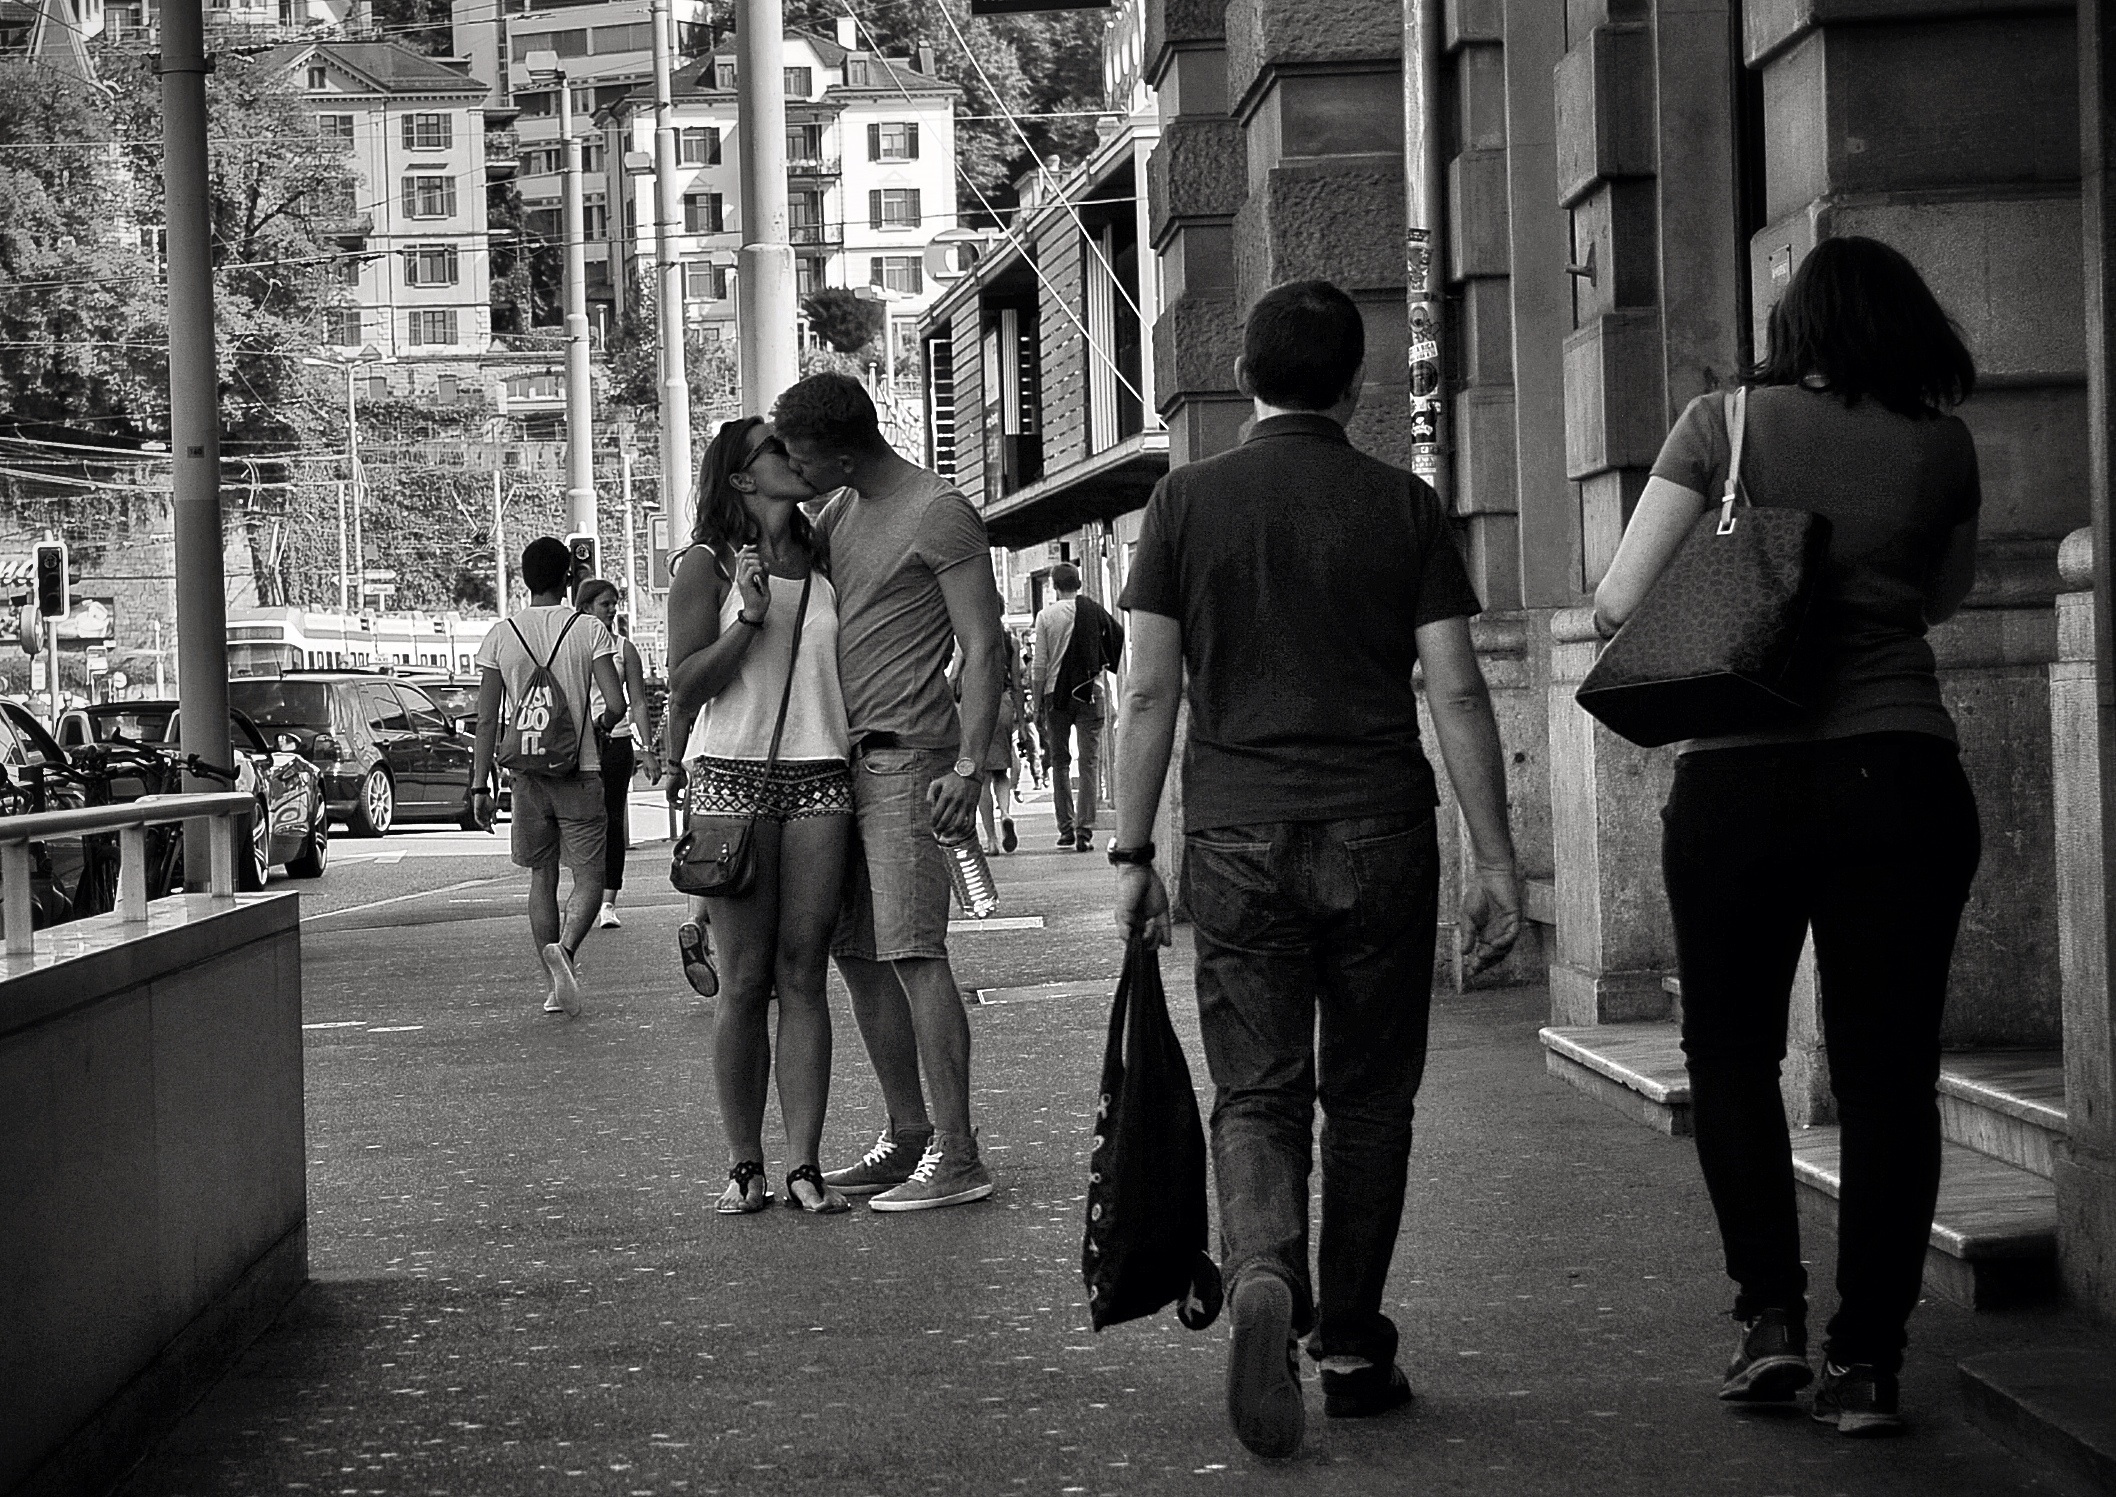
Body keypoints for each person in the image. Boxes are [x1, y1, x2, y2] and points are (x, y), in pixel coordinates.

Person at [1111, 280, 1522, 1459]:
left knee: (1256, 1092)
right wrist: (1494, 861)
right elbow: (1454, 685)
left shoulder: (1184, 503)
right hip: (1382, 830)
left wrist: (1134, 852)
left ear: (1244, 378)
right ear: (1356, 385)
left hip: (1234, 833)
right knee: (1372, 1097)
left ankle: (1259, 1279)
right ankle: (1349, 1343)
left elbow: (1148, 692)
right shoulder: (1401, 506)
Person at [1593, 235, 1983, 1437]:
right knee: (1887, 1081)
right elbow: (1942, 597)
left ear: (1796, 325)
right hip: (1899, 770)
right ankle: (1866, 1360)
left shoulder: (1722, 425)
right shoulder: (1940, 440)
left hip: (1739, 783)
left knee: (1729, 1056)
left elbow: (1618, 599)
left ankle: (1769, 1319)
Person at [772, 372, 1007, 1213]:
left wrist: (971, 767)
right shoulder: (840, 512)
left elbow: (985, 648)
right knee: (860, 954)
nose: (793, 471)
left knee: (916, 952)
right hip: (844, 766)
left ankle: (959, 1152)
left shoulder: (937, 509)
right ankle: (909, 1135)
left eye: (799, 456)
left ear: (841, 449)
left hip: (913, 764)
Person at [664, 416, 856, 1215]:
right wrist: (745, 617)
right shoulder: (703, 565)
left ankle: (805, 1163)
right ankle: (745, 1163)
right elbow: (683, 684)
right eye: (777, 450)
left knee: (804, 972)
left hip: (821, 772)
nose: (796, 457)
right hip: (730, 779)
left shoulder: (824, 556)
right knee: (743, 982)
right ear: (742, 478)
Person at [470, 536, 627, 1017]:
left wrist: (479, 784)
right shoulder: (589, 631)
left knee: (542, 875)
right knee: (588, 875)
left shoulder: (501, 634)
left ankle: (555, 986)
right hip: (580, 769)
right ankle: (568, 951)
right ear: (568, 578)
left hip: (527, 776)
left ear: (523, 578)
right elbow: (616, 704)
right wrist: (596, 727)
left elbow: (486, 719)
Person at [573, 580, 657, 929]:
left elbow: (636, 701)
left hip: (617, 742)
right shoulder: (574, 646)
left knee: (611, 820)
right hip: (582, 741)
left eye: (614, 603)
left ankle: (608, 901)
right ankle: (584, 892)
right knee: (583, 821)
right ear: (587, 608)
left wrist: (647, 749)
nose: (612, 609)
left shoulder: (625, 649)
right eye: (605, 604)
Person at [1034, 564, 1123, 851]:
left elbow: (1039, 665)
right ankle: (1085, 829)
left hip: (1055, 696)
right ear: (1080, 583)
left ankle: (1065, 828)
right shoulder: (1093, 611)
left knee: (1059, 762)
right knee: (1089, 762)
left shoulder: (1046, 616)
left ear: (1054, 586)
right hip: (1091, 692)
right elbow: (1117, 633)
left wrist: (1036, 703)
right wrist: (1104, 661)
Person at [949, 641, 1028, 853]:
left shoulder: (967, 638)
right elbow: (1018, 683)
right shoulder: (1011, 642)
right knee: (1000, 771)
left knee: (981, 777)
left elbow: (955, 674)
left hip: (975, 706)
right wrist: (1021, 721)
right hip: (1003, 704)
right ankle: (1005, 813)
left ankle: (992, 840)